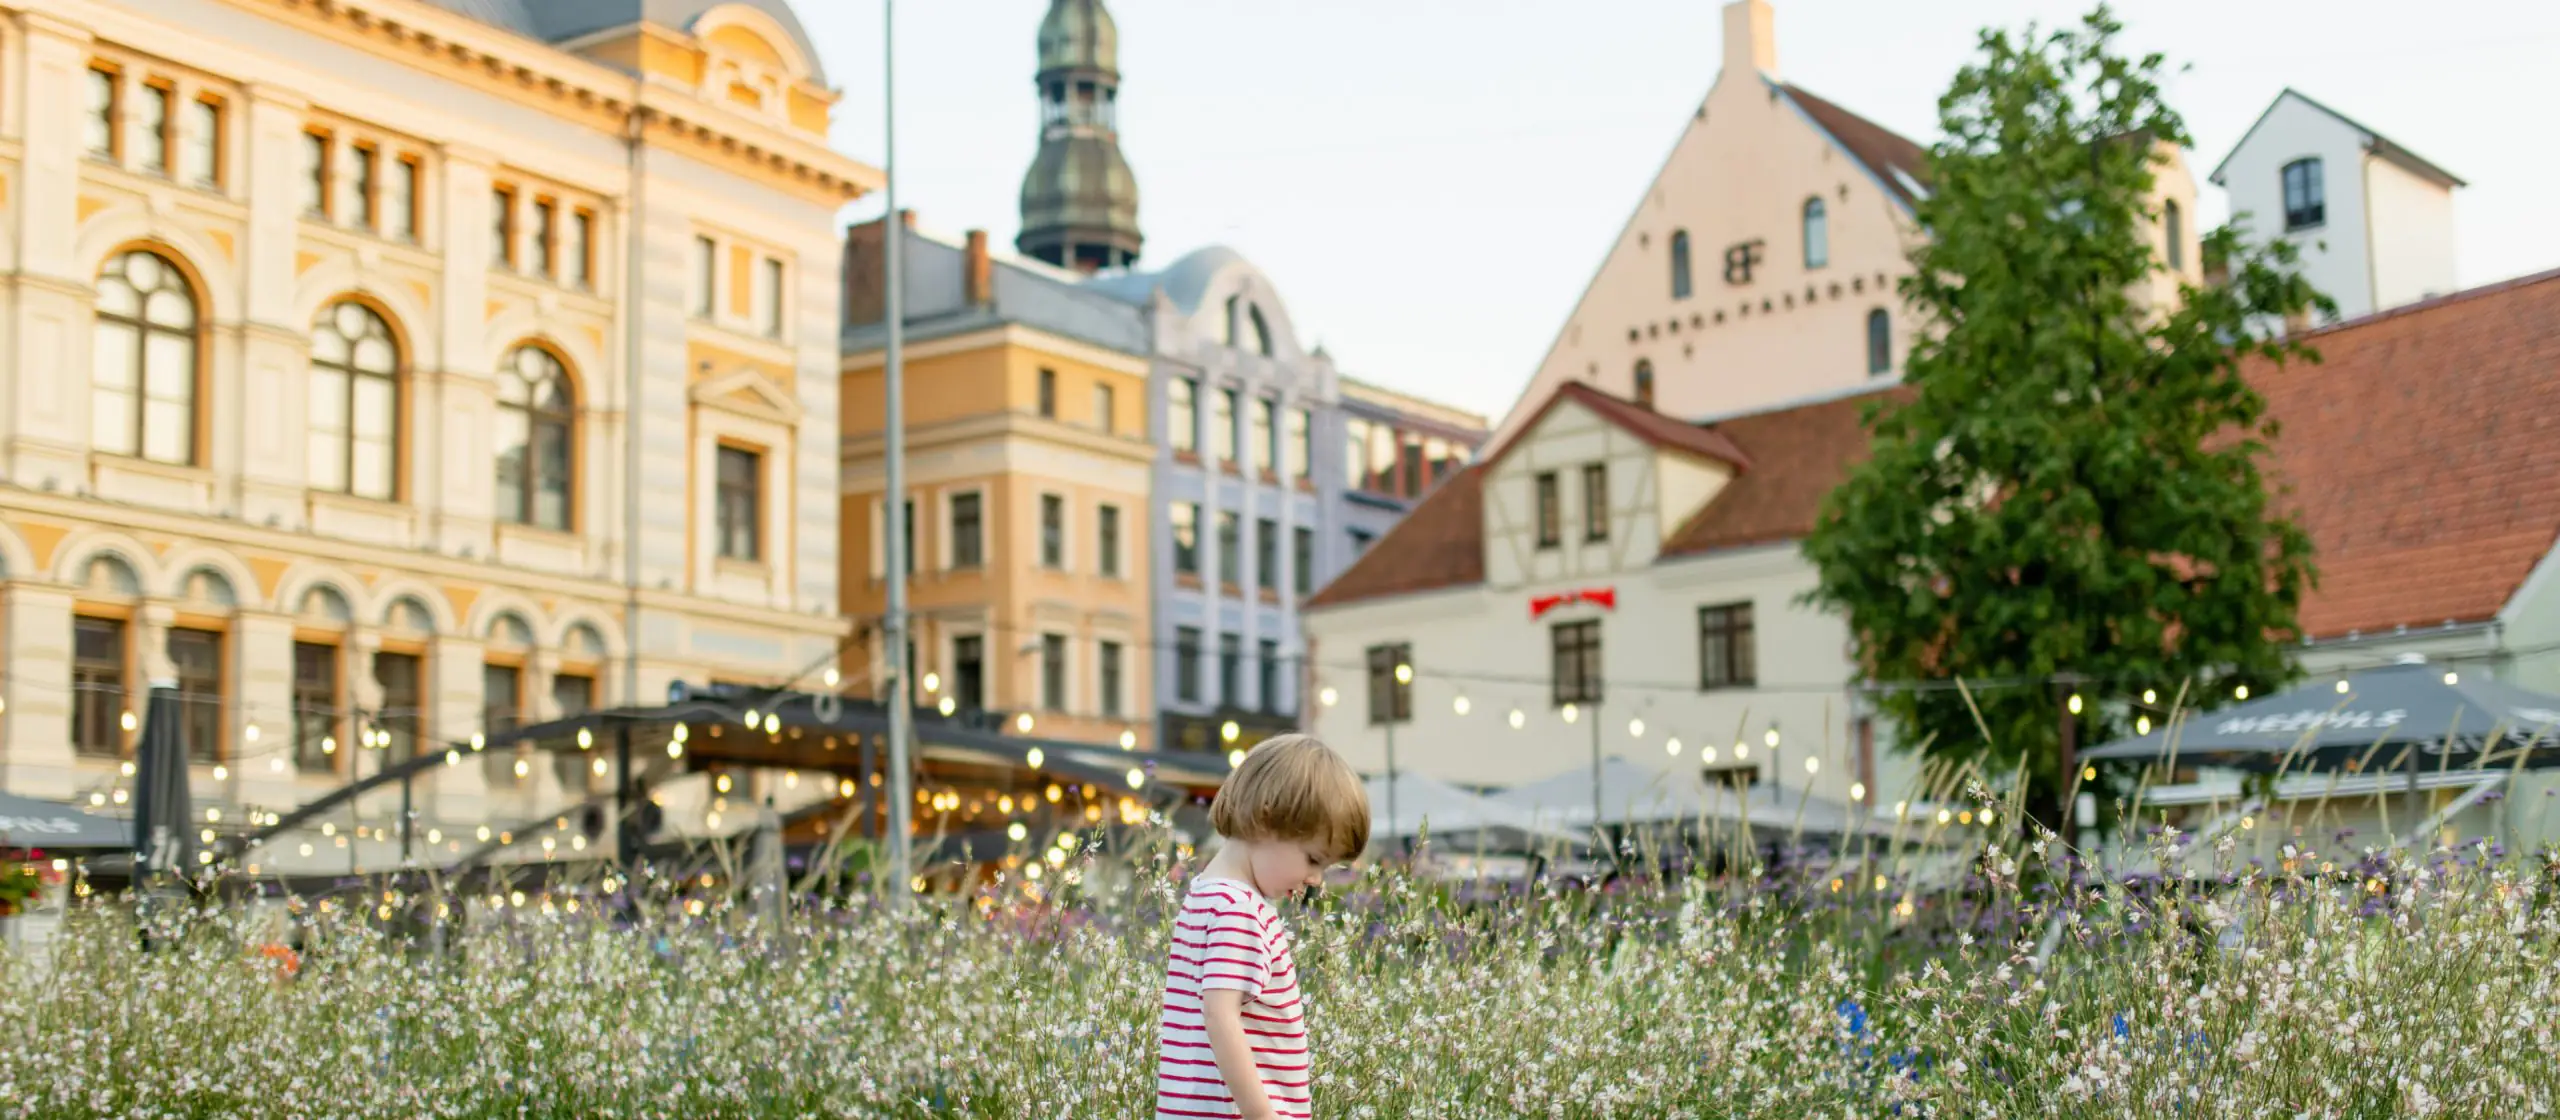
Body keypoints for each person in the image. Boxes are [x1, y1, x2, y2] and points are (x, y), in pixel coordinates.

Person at [1157, 734, 1369, 1120]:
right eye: (1313, 859)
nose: (1316, 879)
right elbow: (1220, 1016)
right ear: (1266, 819)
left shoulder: (1206, 895)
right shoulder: (1238, 909)